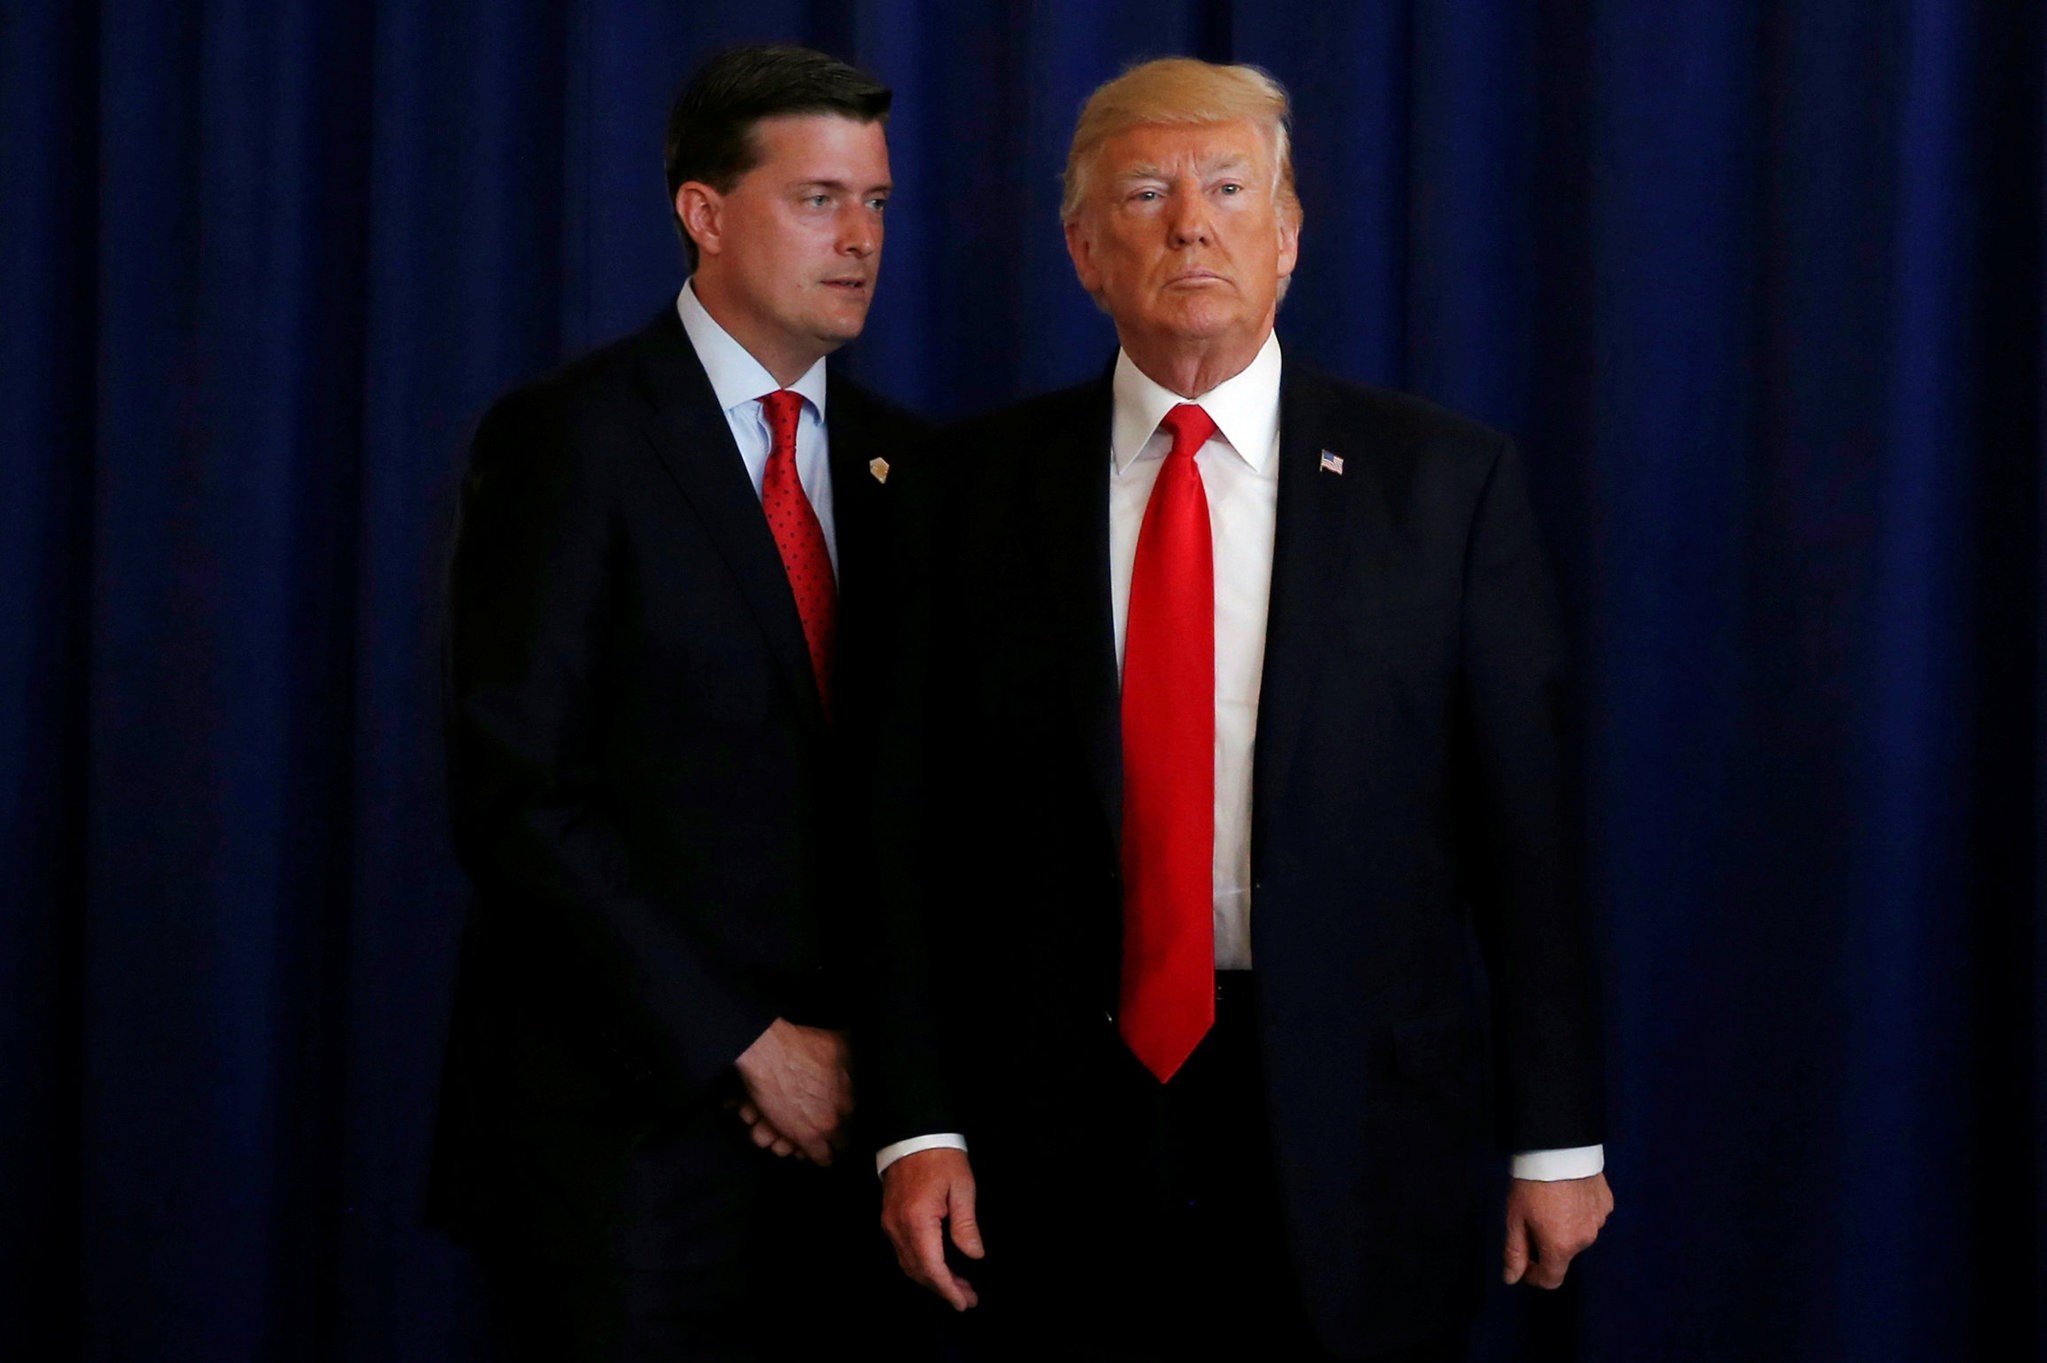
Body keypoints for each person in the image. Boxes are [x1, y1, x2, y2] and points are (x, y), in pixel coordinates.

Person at [868, 57, 1611, 1362]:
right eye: (1145, 195)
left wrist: (1557, 1138)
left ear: (1289, 235)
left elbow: (1527, 834)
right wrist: (916, 1123)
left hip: (1361, 1121)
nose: (1189, 227)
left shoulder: (1443, 486)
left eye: (1225, 189)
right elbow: (902, 834)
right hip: (1052, 1128)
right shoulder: (965, 490)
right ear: (1084, 251)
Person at [429, 44, 921, 1361]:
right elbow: (518, 796)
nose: (861, 238)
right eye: (819, 199)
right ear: (704, 212)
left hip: (862, 1154)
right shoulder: (568, 438)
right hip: (626, 1158)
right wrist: (752, 1048)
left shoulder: (911, 465)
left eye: (876, 202)